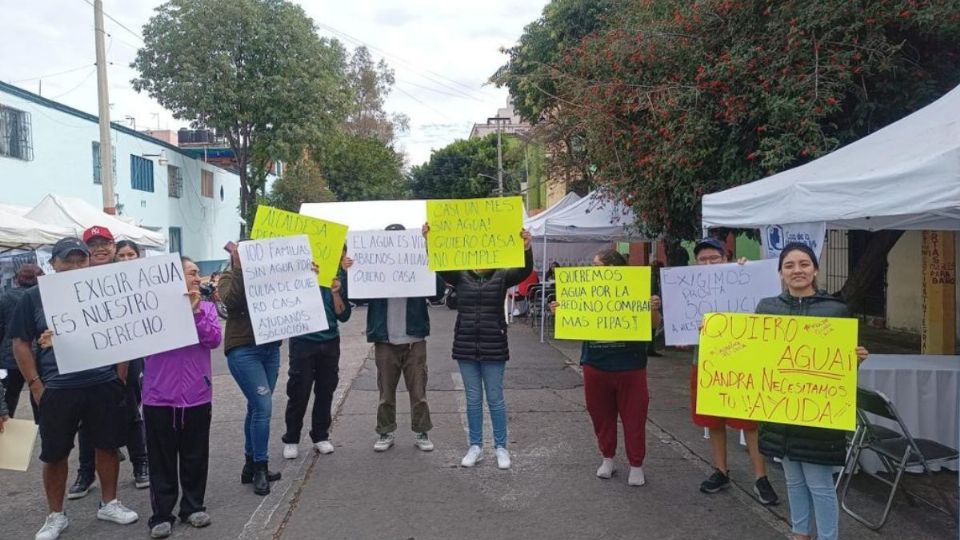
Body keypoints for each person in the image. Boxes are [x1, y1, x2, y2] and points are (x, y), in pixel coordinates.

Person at [11, 237, 138, 540]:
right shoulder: (33, 298)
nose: (75, 266)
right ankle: (55, 515)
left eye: (81, 260)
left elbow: (123, 331)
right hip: (57, 386)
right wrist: (36, 384)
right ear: (53, 264)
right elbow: (20, 343)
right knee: (54, 453)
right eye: (68, 260)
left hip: (102, 383)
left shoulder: (102, 291)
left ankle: (109, 503)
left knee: (107, 445)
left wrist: (120, 374)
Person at [755, 242, 868, 540]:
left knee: (819, 483)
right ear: (780, 272)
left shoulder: (837, 310)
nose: (797, 271)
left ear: (815, 269)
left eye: (804, 264)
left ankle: (828, 537)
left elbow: (840, 372)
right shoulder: (767, 308)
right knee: (792, 480)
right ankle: (799, 533)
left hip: (819, 415)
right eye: (789, 265)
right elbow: (753, 357)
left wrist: (854, 360)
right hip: (781, 415)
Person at [424, 223, 533, 470]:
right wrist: (430, 240)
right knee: (473, 399)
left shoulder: (503, 274)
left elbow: (524, 271)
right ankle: (475, 446)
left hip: (494, 343)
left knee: (495, 398)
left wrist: (527, 248)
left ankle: (501, 447)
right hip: (465, 344)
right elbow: (440, 263)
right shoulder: (460, 275)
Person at [549, 249, 661, 486]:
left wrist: (652, 309)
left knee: (634, 417)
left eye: (597, 265)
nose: (592, 270)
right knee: (601, 416)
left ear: (612, 269)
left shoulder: (634, 289)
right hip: (595, 364)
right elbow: (571, 323)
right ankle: (607, 458)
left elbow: (653, 326)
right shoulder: (588, 291)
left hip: (631, 364)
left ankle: (636, 465)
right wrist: (560, 311)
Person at [687, 238, 778, 505]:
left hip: (742, 364)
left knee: (749, 422)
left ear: (725, 258)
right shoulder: (690, 286)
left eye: (713, 258)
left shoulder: (741, 276)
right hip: (704, 362)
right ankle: (721, 470)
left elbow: (765, 299)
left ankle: (761, 478)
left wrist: (747, 272)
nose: (707, 263)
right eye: (702, 259)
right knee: (713, 421)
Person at [142, 257, 222, 539]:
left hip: (197, 395)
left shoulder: (208, 308)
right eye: (191, 273)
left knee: (195, 454)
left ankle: (192, 506)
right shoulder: (152, 312)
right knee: (161, 458)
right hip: (158, 397)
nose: (197, 278)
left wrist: (196, 312)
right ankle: (162, 514)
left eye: (198, 273)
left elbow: (213, 340)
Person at [71, 228, 150, 499]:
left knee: (130, 408)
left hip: (130, 351)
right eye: (93, 245)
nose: (100, 249)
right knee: (86, 417)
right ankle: (85, 471)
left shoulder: (129, 276)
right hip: (89, 356)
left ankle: (141, 462)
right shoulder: (75, 278)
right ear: (85, 249)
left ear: (113, 245)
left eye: (104, 243)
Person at [364, 224, 445, 454]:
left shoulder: (420, 266)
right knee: (385, 392)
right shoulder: (374, 270)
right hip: (385, 341)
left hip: (414, 339)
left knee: (419, 391)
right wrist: (349, 270)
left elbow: (438, 292)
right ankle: (385, 431)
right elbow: (355, 294)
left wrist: (431, 259)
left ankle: (422, 430)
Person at [218, 242, 282, 496]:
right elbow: (231, 301)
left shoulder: (270, 275)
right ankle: (261, 468)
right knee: (263, 407)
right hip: (243, 349)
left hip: (270, 349)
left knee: (256, 407)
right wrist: (240, 269)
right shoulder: (227, 277)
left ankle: (250, 463)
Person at [281, 252, 351, 459]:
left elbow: (344, 315)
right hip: (302, 342)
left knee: (326, 390)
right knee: (298, 391)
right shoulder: (297, 276)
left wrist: (337, 292)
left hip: (329, 342)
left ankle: (320, 435)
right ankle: (292, 438)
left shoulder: (336, 278)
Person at [0, 263, 42, 420]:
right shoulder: (41, 296)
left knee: (12, 391)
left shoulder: (5, 297)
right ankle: (40, 423)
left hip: (11, 353)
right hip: (37, 351)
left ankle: (7, 419)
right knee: (36, 387)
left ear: (18, 279)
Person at [647, 260, 664, 357]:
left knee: (652, 329)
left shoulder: (652, 276)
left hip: (652, 304)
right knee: (652, 329)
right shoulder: (653, 277)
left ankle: (650, 348)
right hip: (653, 305)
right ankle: (650, 349)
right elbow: (653, 291)